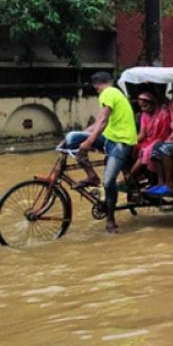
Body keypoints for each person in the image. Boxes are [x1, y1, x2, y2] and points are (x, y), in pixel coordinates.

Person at [58, 72, 137, 233]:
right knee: (73, 137)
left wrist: (88, 142)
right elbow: (97, 124)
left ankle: (111, 220)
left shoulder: (108, 93)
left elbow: (102, 122)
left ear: (97, 86)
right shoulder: (112, 93)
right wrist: (69, 140)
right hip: (109, 138)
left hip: (121, 142)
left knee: (108, 182)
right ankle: (91, 175)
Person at [130, 91, 171, 183]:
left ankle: (130, 177)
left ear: (152, 103)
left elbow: (164, 133)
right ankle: (141, 177)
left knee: (146, 151)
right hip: (147, 140)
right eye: (141, 107)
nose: (143, 109)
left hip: (161, 139)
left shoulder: (163, 114)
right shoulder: (144, 115)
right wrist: (131, 141)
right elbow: (142, 134)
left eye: (145, 106)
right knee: (132, 149)